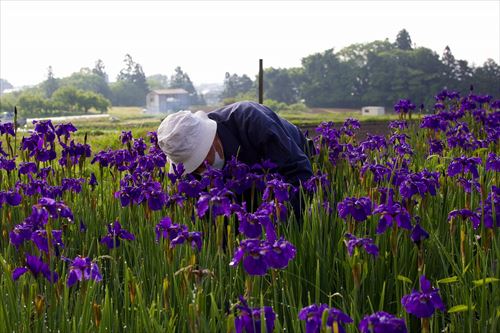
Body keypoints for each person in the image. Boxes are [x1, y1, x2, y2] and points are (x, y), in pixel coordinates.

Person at [157, 101, 313, 219]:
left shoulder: (251, 120)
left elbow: (298, 172)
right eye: (193, 167)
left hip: (295, 159)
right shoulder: (190, 164)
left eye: (199, 162)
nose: (200, 172)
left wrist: (279, 224)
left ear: (210, 140)